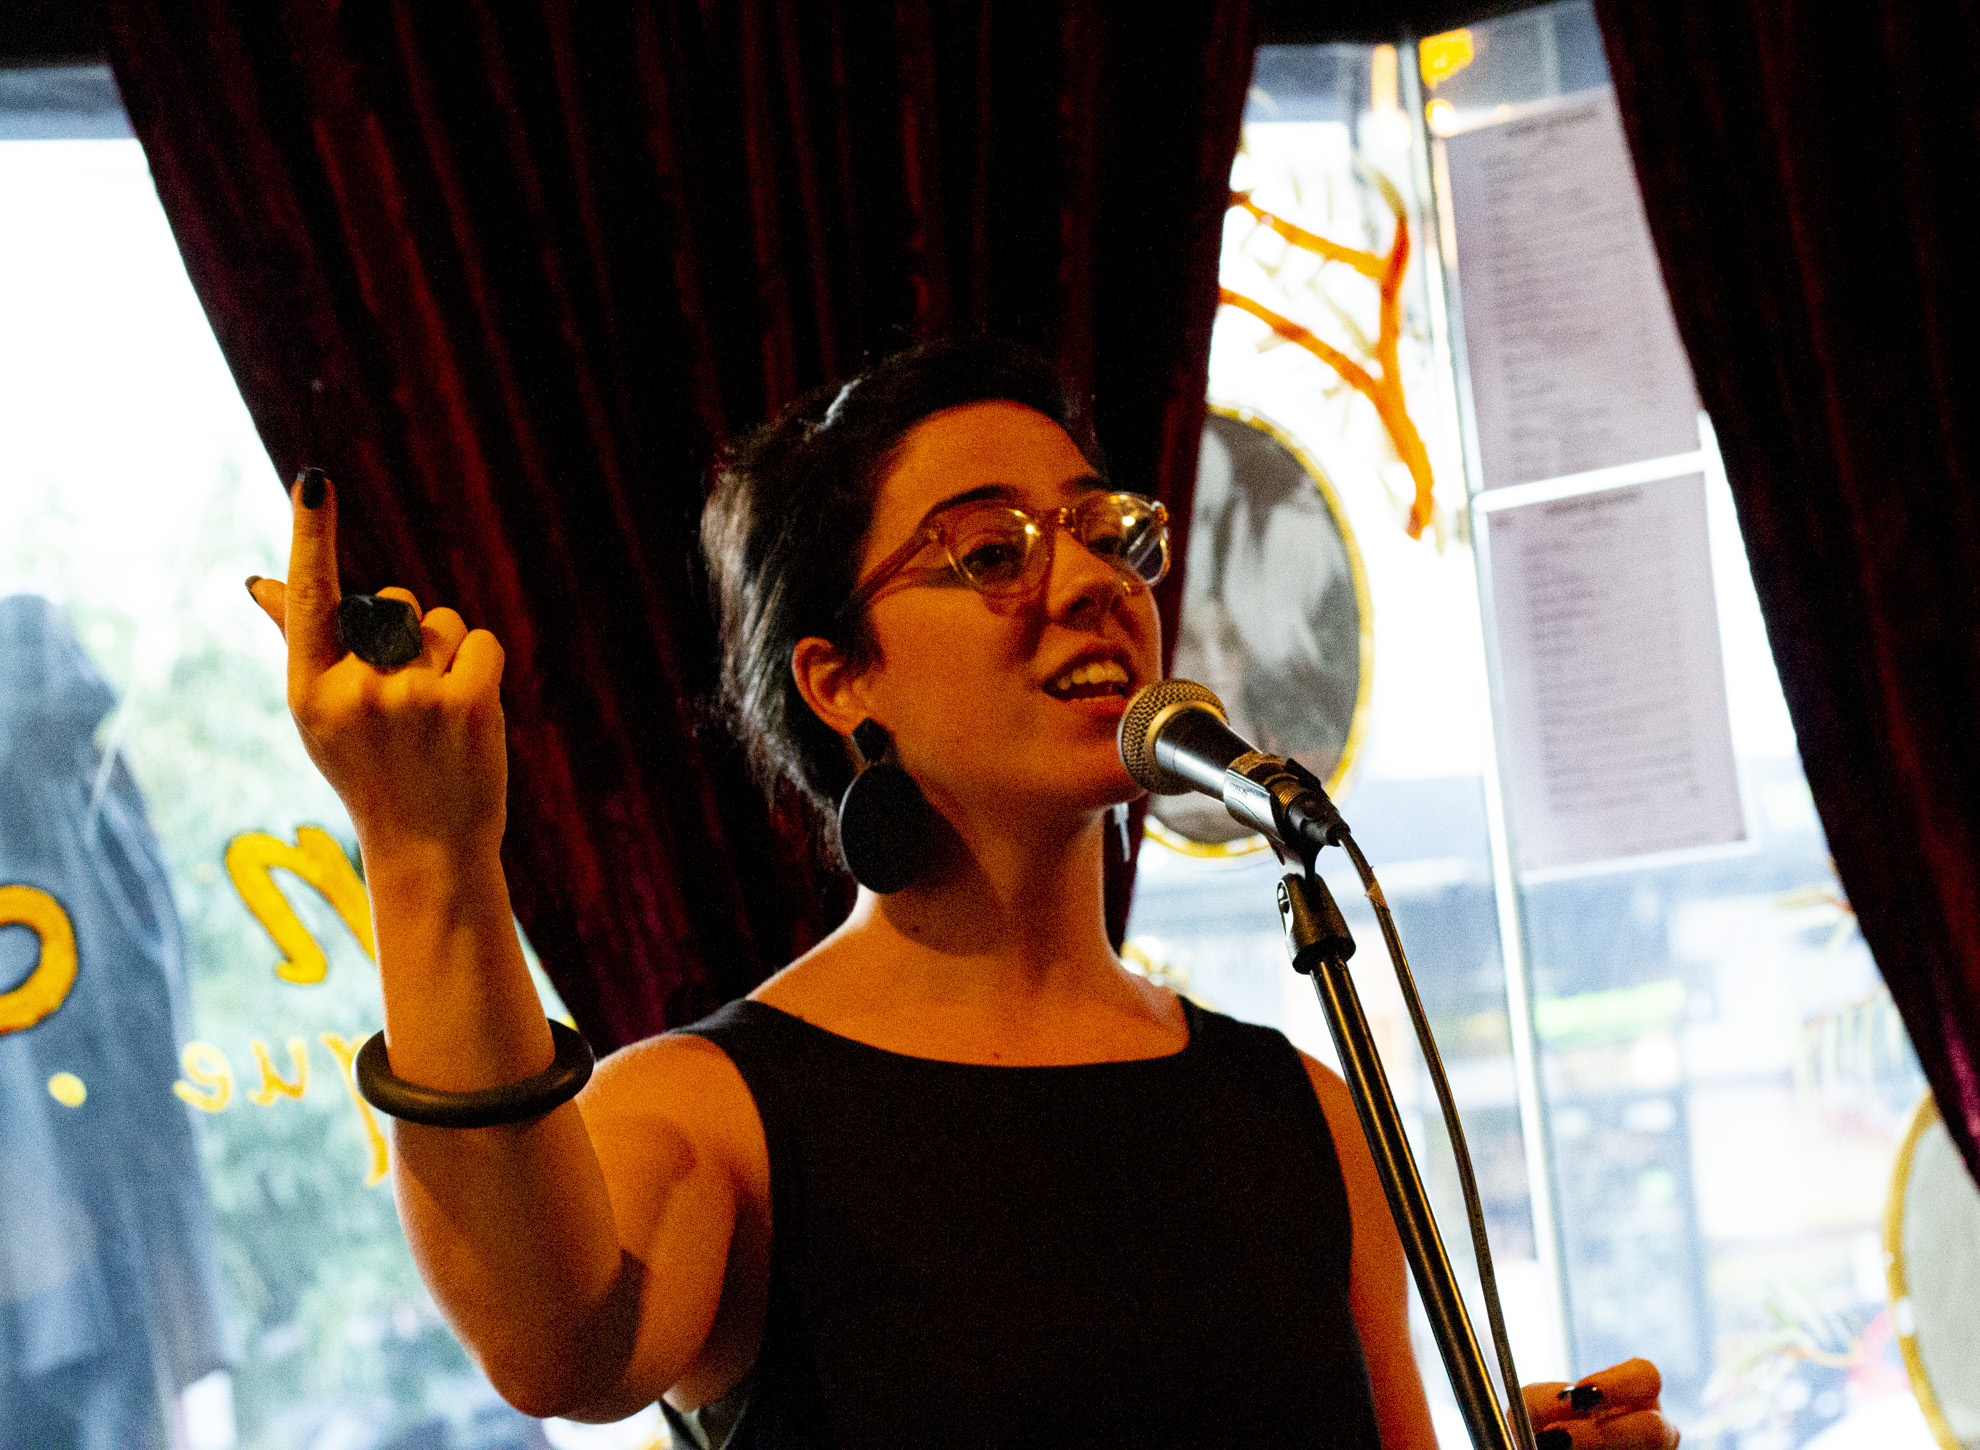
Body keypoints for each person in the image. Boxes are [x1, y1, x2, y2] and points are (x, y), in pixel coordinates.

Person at [247, 338, 1677, 1448]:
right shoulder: (714, 1108)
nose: (1090, 585)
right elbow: (557, 1338)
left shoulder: (1296, 1105)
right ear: (839, 678)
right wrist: (430, 853)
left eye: (1106, 532)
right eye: (991, 552)